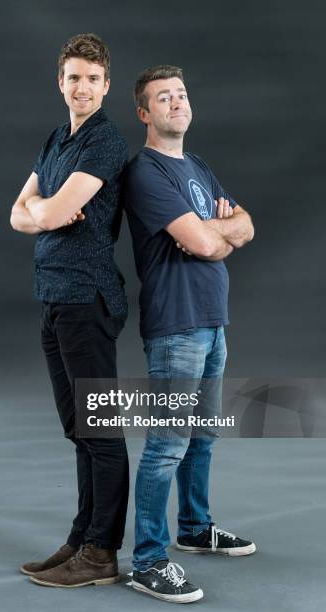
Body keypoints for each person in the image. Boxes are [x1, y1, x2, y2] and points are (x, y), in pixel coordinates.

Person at [123, 65, 255, 603]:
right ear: (144, 113)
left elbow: (240, 226)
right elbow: (206, 244)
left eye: (180, 94)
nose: (176, 102)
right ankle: (148, 560)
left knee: (204, 435)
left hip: (212, 320)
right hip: (175, 325)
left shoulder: (196, 165)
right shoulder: (145, 172)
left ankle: (196, 529)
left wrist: (213, 235)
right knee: (167, 445)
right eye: (163, 97)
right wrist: (214, 237)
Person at [10, 33, 129, 588]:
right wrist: (45, 211)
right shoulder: (58, 139)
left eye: (92, 78)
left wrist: (46, 210)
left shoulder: (103, 142)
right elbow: (20, 214)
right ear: (60, 83)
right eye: (72, 77)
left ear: (105, 87)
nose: (81, 87)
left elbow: (52, 210)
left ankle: (102, 552)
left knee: (100, 430)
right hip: (54, 296)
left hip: (88, 298)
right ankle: (82, 538)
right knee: (79, 429)